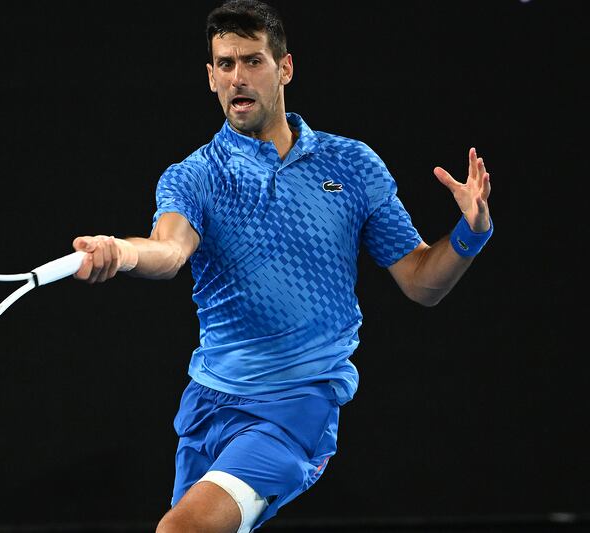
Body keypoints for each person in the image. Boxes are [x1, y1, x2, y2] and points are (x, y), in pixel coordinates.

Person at [71, 1, 493, 531]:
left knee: (181, 529)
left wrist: (470, 233)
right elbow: (170, 250)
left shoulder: (352, 165)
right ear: (211, 77)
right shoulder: (194, 176)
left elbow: (420, 281)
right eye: (225, 64)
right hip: (209, 402)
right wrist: (124, 251)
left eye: (253, 61)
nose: (238, 77)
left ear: (285, 68)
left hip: (297, 406)